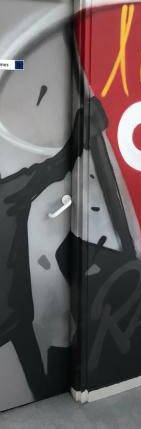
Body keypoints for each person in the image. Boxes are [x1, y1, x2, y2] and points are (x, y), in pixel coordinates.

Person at [0, 109, 83, 400]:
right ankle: (42, 390)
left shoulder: (9, 193)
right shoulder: (9, 193)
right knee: (33, 369)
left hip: (16, 314)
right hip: (16, 313)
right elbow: (54, 168)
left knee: (31, 364)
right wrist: (80, 135)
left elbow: (53, 169)